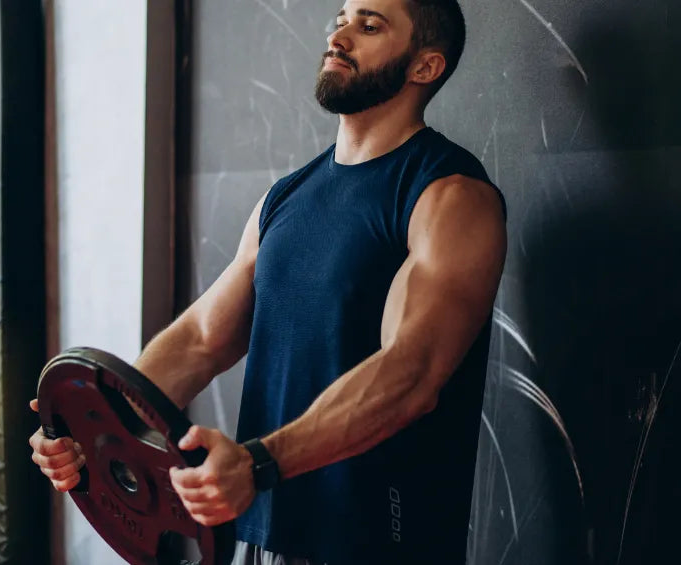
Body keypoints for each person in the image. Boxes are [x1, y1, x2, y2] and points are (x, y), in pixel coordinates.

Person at [29, 0, 506, 562]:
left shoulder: (447, 196)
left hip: (376, 544)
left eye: (369, 25)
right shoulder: (286, 198)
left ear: (424, 67)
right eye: (342, 18)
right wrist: (98, 430)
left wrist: (259, 462)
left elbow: (413, 373)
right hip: (260, 537)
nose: (340, 35)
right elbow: (202, 339)